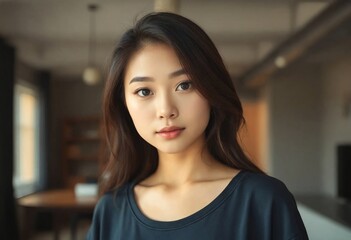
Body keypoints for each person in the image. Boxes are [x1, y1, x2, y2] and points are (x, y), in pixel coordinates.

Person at [86, 12, 308, 240]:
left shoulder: (263, 201)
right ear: (124, 104)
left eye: (184, 85)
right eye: (144, 91)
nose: (166, 110)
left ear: (211, 88)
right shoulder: (111, 211)